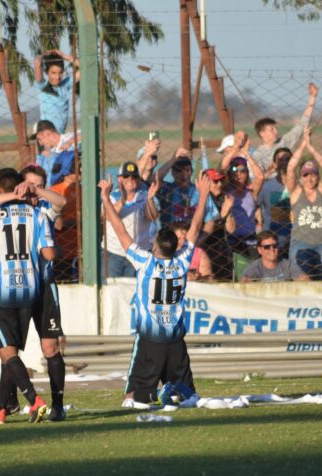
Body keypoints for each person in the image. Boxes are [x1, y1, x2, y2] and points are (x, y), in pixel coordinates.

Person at [100, 173, 212, 406]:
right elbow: (196, 225)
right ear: (176, 247)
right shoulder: (182, 262)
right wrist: (203, 197)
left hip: (150, 340)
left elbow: (120, 231)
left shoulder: (145, 262)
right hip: (175, 340)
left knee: (131, 398)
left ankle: (155, 394)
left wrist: (106, 198)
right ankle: (171, 391)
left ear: (155, 245)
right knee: (189, 396)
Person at [0, 166, 69, 421]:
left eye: (37, 185)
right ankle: (4, 406)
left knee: (49, 347)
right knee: (9, 349)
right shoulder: (18, 211)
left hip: (43, 287)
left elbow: (61, 202)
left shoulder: (42, 210)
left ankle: (57, 406)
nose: (29, 189)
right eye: (27, 183)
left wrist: (36, 190)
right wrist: (14, 195)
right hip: (24, 286)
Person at [286, 128, 322, 279]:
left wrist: (311, 148)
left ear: (317, 176)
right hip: (300, 243)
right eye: (305, 175)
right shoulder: (296, 192)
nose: (309, 178)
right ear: (300, 177)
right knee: (300, 280)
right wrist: (303, 145)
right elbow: (290, 168)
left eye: (313, 174)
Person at [249, 82, 318, 172]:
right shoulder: (257, 155)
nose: (276, 131)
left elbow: (302, 124)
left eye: (276, 128)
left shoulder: (284, 141)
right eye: (271, 129)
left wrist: (312, 97)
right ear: (262, 133)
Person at [104, 161, 157, 278]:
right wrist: (124, 199)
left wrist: (151, 200)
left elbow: (152, 217)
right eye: (126, 176)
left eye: (134, 176)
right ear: (119, 179)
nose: (130, 179)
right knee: (111, 289)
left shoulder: (145, 196)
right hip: (114, 252)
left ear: (138, 179)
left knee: (135, 289)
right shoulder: (112, 196)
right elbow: (107, 217)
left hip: (138, 253)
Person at [33, 50, 80, 134]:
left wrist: (65, 56)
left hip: (60, 135)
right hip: (46, 135)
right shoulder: (43, 86)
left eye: (60, 73)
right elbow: (37, 63)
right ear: (47, 72)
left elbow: (86, 68)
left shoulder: (66, 85)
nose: (57, 77)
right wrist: (44, 54)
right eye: (53, 73)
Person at [256, 148, 292, 256]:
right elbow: (254, 206)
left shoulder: (301, 185)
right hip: (273, 243)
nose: (285, 162)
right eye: (281, 160)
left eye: (288, 159)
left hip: (296, 240)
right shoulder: (266, 186)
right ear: (274, 164)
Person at [241, 231, 308, 283]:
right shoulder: (254, 267)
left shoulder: (287, 265)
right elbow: (243, 286)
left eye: (275, 246)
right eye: (267, 247)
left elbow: (305, 281)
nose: (272, 249)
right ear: (259, 250)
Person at [32, 120, 78, 186]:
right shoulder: (51, 152)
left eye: (40, 139)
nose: (41, 144)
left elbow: (89, 134)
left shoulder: (69, 137)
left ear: (46, 133)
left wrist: (69, 143)